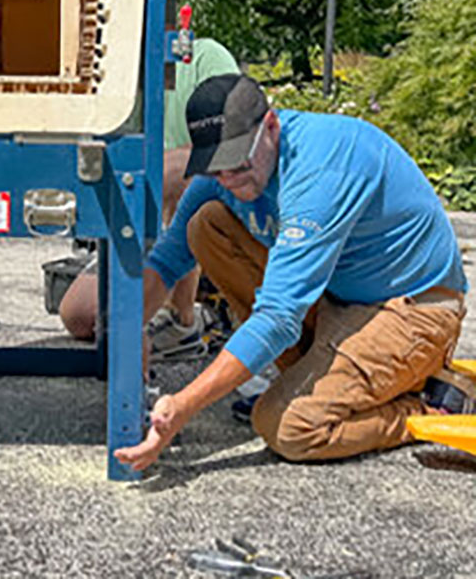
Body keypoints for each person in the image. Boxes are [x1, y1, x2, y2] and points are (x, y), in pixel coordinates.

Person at [114, 74, 470, 472]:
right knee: (206, 224)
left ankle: (428, 404)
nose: (227, 179)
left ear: (270, 125)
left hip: (410, 312)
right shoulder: (229, 175)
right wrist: (125, 339)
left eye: (236, 163)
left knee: (289, 427)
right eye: (214, 169)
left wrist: (184, 405)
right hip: (340, 300)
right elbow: (165, 262)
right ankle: (325, 381)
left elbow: (279, 318)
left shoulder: (321, 171)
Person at [59, 37, 239, 354]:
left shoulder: (204, 57)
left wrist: (152, 172)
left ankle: (181, 320)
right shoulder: (113, 69)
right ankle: (165, 295)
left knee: (188, 172)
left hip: (199, 215)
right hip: (143, 218)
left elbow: (231, 141)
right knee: (79, 317)